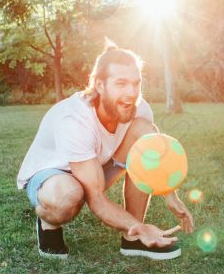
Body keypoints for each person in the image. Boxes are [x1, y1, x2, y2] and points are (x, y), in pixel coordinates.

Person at [17, 41, 194, 260]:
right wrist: (142, 226)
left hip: (95, 165)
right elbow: (97, 199)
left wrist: (170, 193)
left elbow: (153, 152)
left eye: (135, 83)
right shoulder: (75, 118)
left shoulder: (137, 107)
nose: (131, 93)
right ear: (100, 85)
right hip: (53, 176)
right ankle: (48, 224)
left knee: (144, 132)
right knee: (70, 194)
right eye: (121, 83)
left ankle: (133, 240)